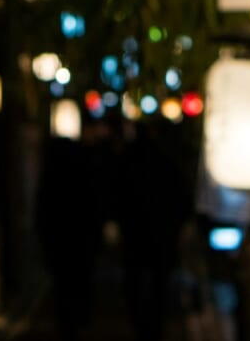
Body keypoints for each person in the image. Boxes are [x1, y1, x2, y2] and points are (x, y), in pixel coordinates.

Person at [113, 118, 193, 340]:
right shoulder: (166, 161)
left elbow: (116, 194)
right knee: (159, 281)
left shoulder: (128, 160)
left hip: (135, 233)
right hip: (161, 233)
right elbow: (182, 196)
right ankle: (154, 325)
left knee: (136, 280)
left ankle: (141, 323)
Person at [34, 134, 106, 340]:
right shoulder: (85, 175)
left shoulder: (51, 178)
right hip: (80, 245)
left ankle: (66, 325)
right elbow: (95, 211)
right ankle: (76, 320)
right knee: (77, 285)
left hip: (60, 245)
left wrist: (44, 242)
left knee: (63, 290)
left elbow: (42, 214)